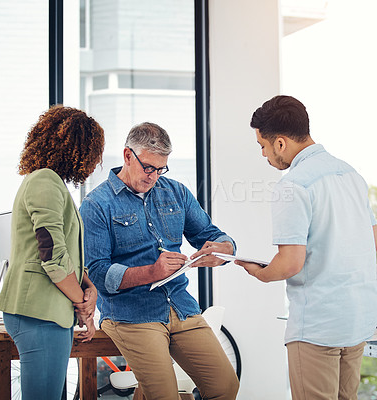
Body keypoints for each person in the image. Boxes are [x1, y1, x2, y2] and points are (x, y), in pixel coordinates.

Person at [80, 122, 240, 400]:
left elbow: (211, 234)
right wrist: (151, 272)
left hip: (180, 306)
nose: (154, 176)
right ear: (128, 156)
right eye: (148, 167)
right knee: (164, 395)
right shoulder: (97, 204)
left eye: (161, 168)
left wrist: (223, 249)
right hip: (130, 315)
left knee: (225, 386)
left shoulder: (176, 192)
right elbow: (97, 273)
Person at [236, 95, 377, 400]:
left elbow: (289, 263)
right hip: (356, 320)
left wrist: (260, 273)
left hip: (317, 327)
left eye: (263, 145)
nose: (264, 154)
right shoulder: (351, 174)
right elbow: (372, 240)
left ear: (281, 143)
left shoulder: (293, 185)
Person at [0, 105, 105, 400]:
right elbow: (52, 256)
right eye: (95, 153)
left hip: (47, 312)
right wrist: (82, 304)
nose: (96, 163)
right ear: (78, 149)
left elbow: (65, 250)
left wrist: (88, 288)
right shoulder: (44, 180)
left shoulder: (49, 182)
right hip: (38, 313)